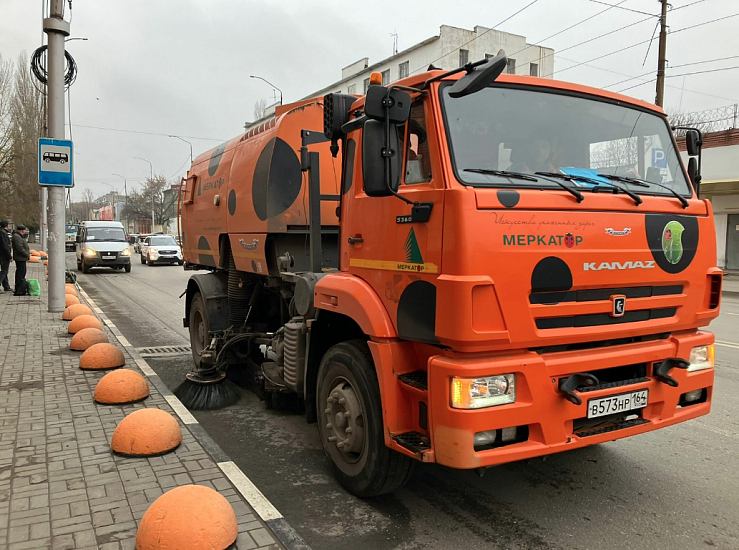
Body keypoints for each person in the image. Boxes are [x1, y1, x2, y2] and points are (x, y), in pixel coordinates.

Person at [11, 225, 30, 296]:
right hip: (20, 258)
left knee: (22, 272)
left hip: (21, 258)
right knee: (20, 273)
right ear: (22, 230)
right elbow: (20, 248)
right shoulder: (17, 237)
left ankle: (20, 288)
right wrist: (26, 254)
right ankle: (19, 289)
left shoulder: (19, 236)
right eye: (25, 230)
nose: (25, 232)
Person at [0, 220, 11, 292]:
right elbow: (5, 246)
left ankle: (6, 286)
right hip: (3, 255)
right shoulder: (3, 233)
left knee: (5, 271)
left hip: (2, 254)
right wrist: (9, 256)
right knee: (4, 271)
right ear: (6, 226)